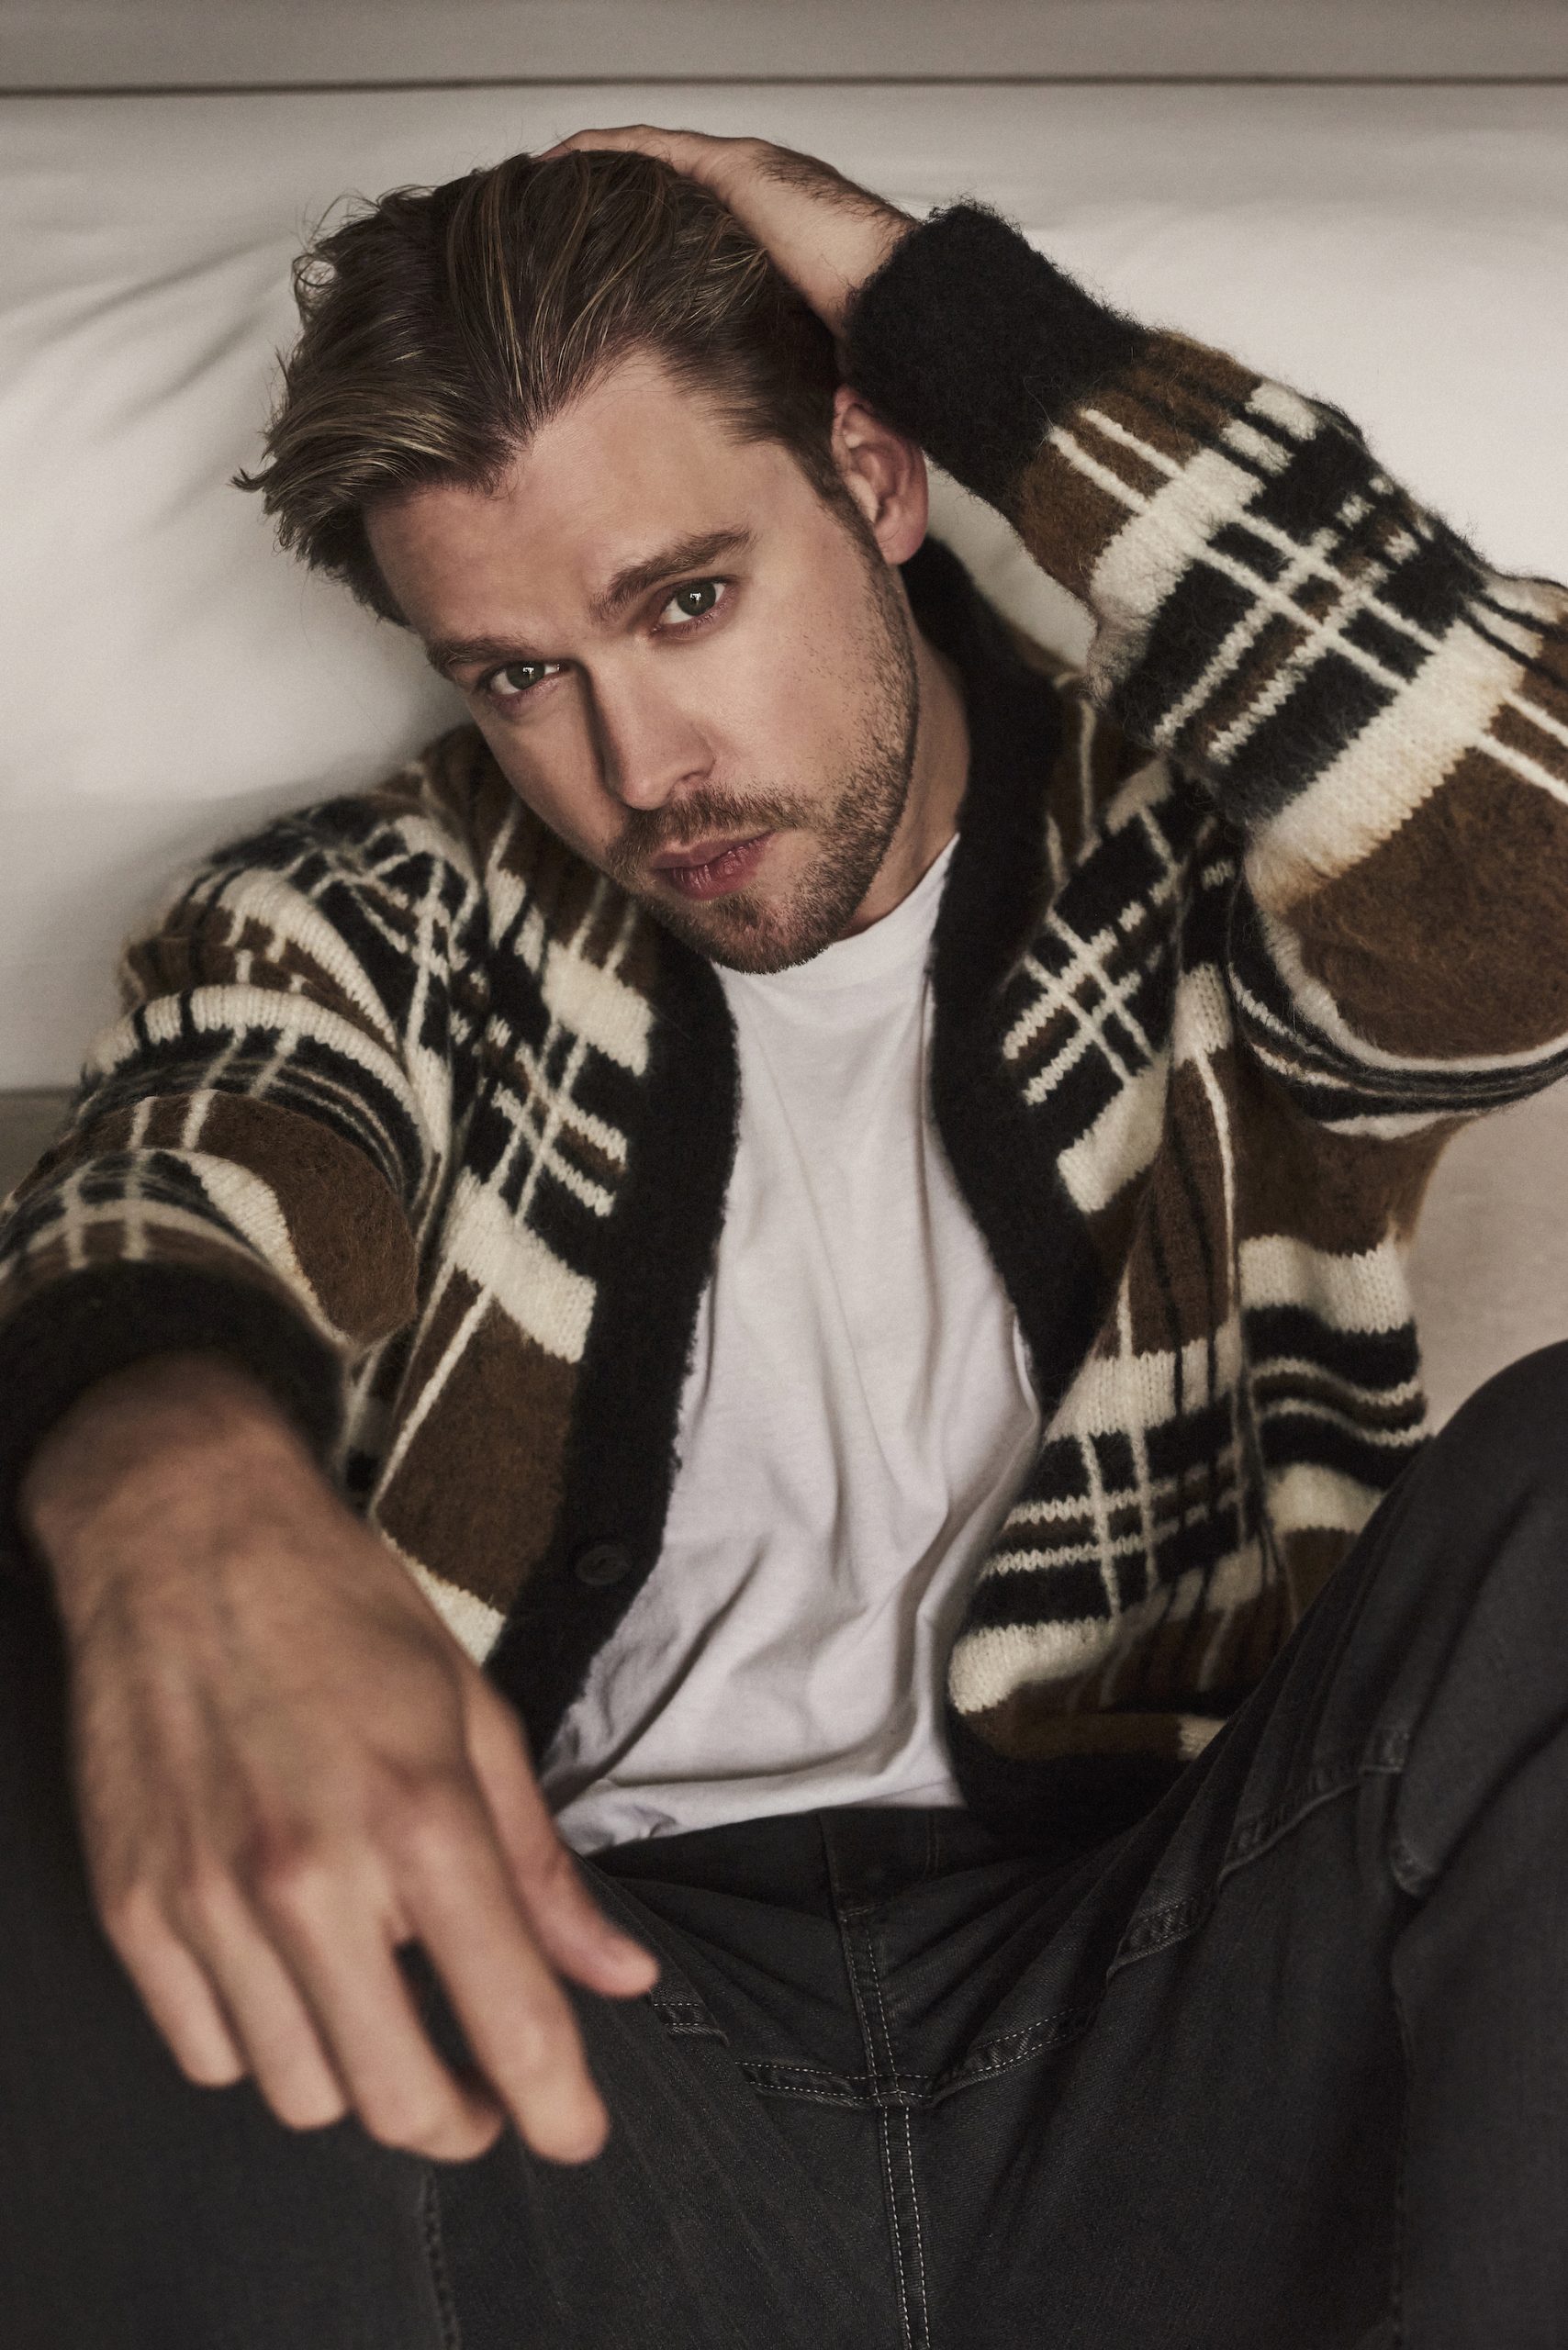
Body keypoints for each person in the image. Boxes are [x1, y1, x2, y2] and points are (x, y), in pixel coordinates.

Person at [2, 120, 1567, 2349]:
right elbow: (194, 1155)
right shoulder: (380, 913)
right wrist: (169, 1491)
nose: (640, 766)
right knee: (65, 1575)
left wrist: (969, 332)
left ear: (874, 475)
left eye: (683, 601)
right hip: (574, 2055)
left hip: (1168, 1996)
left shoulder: (1198, 862)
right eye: (516, 673)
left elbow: (1528, 862)